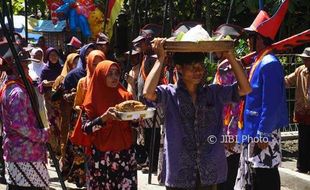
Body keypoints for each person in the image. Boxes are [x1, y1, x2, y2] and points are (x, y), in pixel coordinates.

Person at [143, 38, 251, 189]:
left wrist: (230, 57)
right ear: (179, 68)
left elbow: (245, 89)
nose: (198, 71)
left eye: (200, 66)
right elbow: (148, 93)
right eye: (193, 67)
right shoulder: (170, 94)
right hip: (180, 173)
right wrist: (161, 58)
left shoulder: (213, 93)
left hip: (209, 172)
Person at [235, 1, 290, 189]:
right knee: (256, 175)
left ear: (260, 38)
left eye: (251, 36)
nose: (248, 41)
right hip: (255, 130)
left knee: (265, 175)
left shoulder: (269, 63)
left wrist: (263, 134)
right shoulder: (261, 60)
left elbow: (271, 103)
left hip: (263, 131)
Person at [71, 60, 137, 189]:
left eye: (116, 73)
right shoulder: (91, 101)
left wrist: (135, 120)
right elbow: (86, 129)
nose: (114, 77)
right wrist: (103, 119)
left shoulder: (126, 97)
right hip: (101, 157)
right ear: (100, 76)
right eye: (109, 74)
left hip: (124, 154)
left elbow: (133, 125)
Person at [0, 52, 50, 189]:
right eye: (25, 66)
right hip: (24, 155)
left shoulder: (14, 87)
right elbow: (19, 126)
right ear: (17, 69)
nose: (28, 69)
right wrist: (43, 135)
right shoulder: (17, 92)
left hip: (22, 154)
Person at [284, 47, 310, 174]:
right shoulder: (300, 71)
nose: (305, 62)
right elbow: (288, 80)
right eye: (304, 59)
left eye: (307, 59)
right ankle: (302, 166)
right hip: (303, 112)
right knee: (303, 139)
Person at [39, 47, 63, 156]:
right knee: (52, 124)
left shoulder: (62, 69)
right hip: (49, 102)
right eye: (51, 55)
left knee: (61, 124)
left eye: (55, 55)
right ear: (48, 56)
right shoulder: (45, 70)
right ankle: (53, 151)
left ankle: (61, 149)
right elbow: (41, 85)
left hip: (60, 101)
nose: (54, 57)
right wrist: (45, 83)